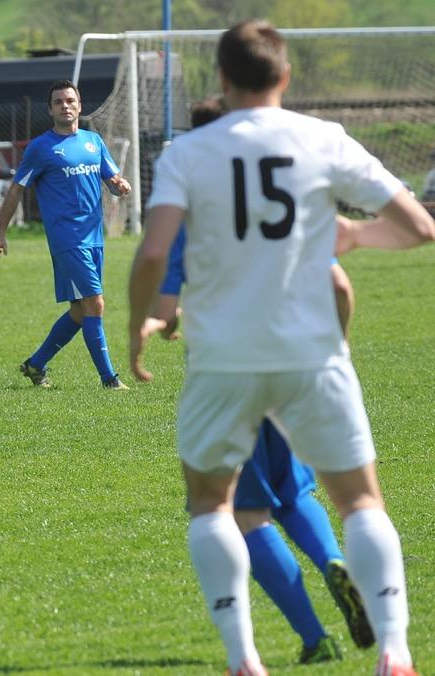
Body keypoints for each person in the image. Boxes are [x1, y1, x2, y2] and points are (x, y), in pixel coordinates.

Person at [129, 20, 433, 675]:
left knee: (213, 505)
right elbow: (418, 227)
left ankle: (244, 659)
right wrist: (351, 236)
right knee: (360, 502)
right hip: (313, 356)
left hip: (222, 361)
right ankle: (394, 652)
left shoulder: (188, 153)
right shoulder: (323, 139)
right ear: (286, 76)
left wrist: (134, 330)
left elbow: (154, 251)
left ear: (222, 79)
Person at [139, 95, 373, 665]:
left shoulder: (192, 208)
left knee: (243, 512)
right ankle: (333, 563)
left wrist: (153, 324)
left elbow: (164, 298)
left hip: (229, 373)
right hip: (294, 363)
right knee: (295, 490)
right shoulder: (281, 199)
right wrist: (336, 347)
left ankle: (315, 638)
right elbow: (339, 287)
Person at [0, 79, 132, 390]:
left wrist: (120, 186)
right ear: (50, 109)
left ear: (80, 106)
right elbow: (16, 190)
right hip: (67, 239)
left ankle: (36, 364)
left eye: (70, 100)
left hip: (94, 236)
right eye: (58, 102)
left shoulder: (94, 142)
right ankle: (109, 379)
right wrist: (0, 233)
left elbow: (112, 179)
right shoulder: (41, 148)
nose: (65, 106)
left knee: (80, 311)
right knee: (95, 304)